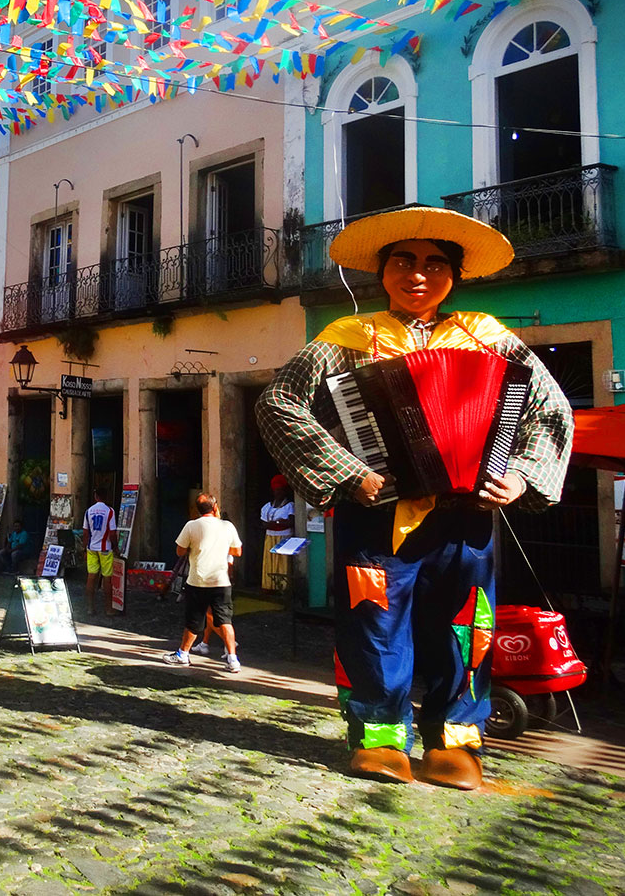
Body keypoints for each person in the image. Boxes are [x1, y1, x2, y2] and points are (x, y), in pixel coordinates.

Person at [256, 206, 573, 790]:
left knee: (465, 625)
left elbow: (550, 409)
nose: (418, 274)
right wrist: (350, 472)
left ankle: (456, 738)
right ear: (382, 272)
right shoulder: (346, 340)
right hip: (376, 516)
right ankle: (379, 737)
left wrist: (522, 475)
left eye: (434, 263)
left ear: (454, 275)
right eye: (404, 261)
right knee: (373, 626)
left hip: (467, 517)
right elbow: (279, 403)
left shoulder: (488, 337)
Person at [164, 494, 242, 672]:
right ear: (215, 507)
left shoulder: (191, 526)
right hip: (221, 581)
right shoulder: (227, 526)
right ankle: (233, 658)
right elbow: (237, 551)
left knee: (193, 620)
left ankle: (183, 653)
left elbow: (180, 551)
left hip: (198, 580)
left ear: (197, 509)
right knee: (225, 620)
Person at [82, 488, 118, 614]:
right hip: (105, 549)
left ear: (95, 496)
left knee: (91, 577)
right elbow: (113, 533)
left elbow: (85, 533)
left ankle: (90, 608)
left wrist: (84, 548)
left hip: (91, 548)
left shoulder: (88, 511)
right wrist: (116, 547)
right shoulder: (110, 511)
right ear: (106, 496)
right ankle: (109, 609)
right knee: (107, 578)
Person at [260, 475, 296, 592]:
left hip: (284, 537)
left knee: (282, 562)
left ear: (285, 491)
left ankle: (283, 587)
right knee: (270, 560)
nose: (278, 493)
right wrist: (279, 522)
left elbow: (290, 522)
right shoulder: (267, 507)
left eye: (280, 490)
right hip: (270, 537)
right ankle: (269, 586)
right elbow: (263, 524)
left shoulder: (289, 506)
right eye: (276, 490)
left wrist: (276, 523)